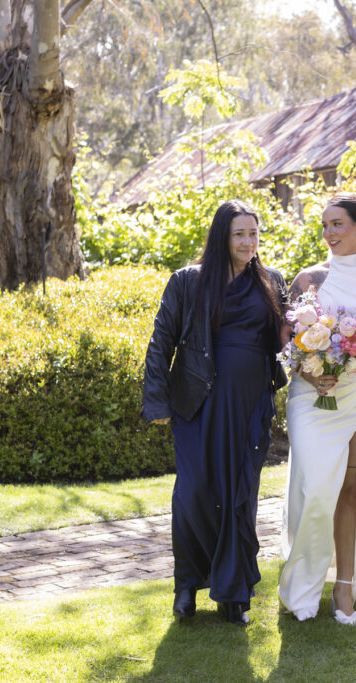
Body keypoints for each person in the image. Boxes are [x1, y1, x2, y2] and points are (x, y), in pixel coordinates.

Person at [142, 200, 288, 626]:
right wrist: (157, 401)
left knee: (240, 496)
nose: (248, 242)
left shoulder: (271, 281)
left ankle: (233, 594)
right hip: (197, 403)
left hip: (250, 406)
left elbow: (284, 341)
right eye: (239, 234)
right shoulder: (189, 281)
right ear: (222, 236)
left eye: (254, 234)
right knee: (194, 493)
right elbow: (161, 341)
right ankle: (187, 586)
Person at [278, 193, 356, 624]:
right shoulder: (308, 279)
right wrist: (311, 372)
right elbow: (286, 341)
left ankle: (344, 590)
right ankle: (304, 582)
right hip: (313, 397)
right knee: (315, 489)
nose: (329, 234)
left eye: (338, 225)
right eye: (325, 226)